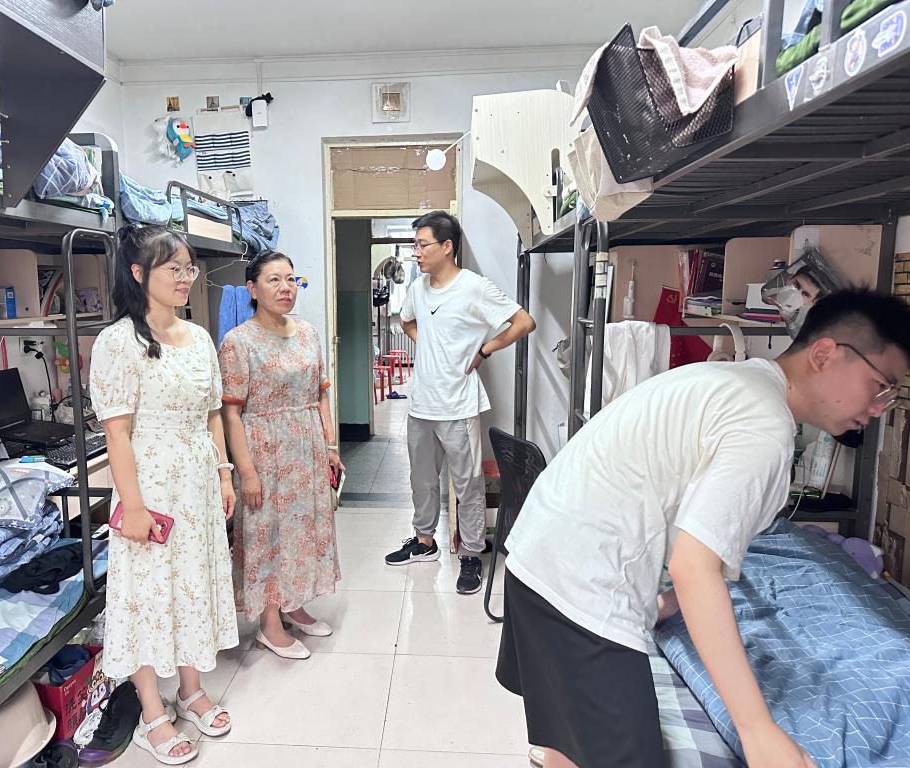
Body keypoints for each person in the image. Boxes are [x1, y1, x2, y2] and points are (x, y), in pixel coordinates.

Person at [496, 289, 910, 768]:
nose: (880, 407)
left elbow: (676, 515)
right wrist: (758, 731)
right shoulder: (764, 424)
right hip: (578, 589)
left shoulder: (734, 383)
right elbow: (694, 566)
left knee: (569, 743)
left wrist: (662, 604)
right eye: (881, 385)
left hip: (537, 555)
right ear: (825, 354)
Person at [90, 225, 238, 766]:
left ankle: (191, 691)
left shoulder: (198, 337)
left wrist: (224, 474)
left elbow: (212, 415)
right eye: (172, 268)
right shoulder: (118, 342)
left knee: (194, 583)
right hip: (149, 486)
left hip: (197, 485)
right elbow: (117, 433)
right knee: (148, 594)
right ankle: (152, 712)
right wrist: (131, 507)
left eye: (188, 268)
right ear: (138, 273)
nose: (184, 278)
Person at [384, 210, 536, 594]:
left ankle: (471, 553)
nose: (416, 252)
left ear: (447, 246)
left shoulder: (474, 288)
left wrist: (484, 349)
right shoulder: (418, 288)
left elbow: (523, 322)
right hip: (421, 404)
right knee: (421, 480)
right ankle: (424, 542)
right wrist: (431, 346)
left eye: (423, 245)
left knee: (467, 485)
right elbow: (406, 321)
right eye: (415, 245)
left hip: (458, 406)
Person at [219, 250, 343, 660]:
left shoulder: (308, 333)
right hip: (264, 451)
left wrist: (329, 445)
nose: (286, 287)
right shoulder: (238, 342)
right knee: (268, 535)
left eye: (291, 279)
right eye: (274, 280)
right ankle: (269, 625)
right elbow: (230, 413)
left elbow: (320, 394)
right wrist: (247, 472)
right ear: (252, 289)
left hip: (307, 448)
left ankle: (293, 604)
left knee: (303, 529)